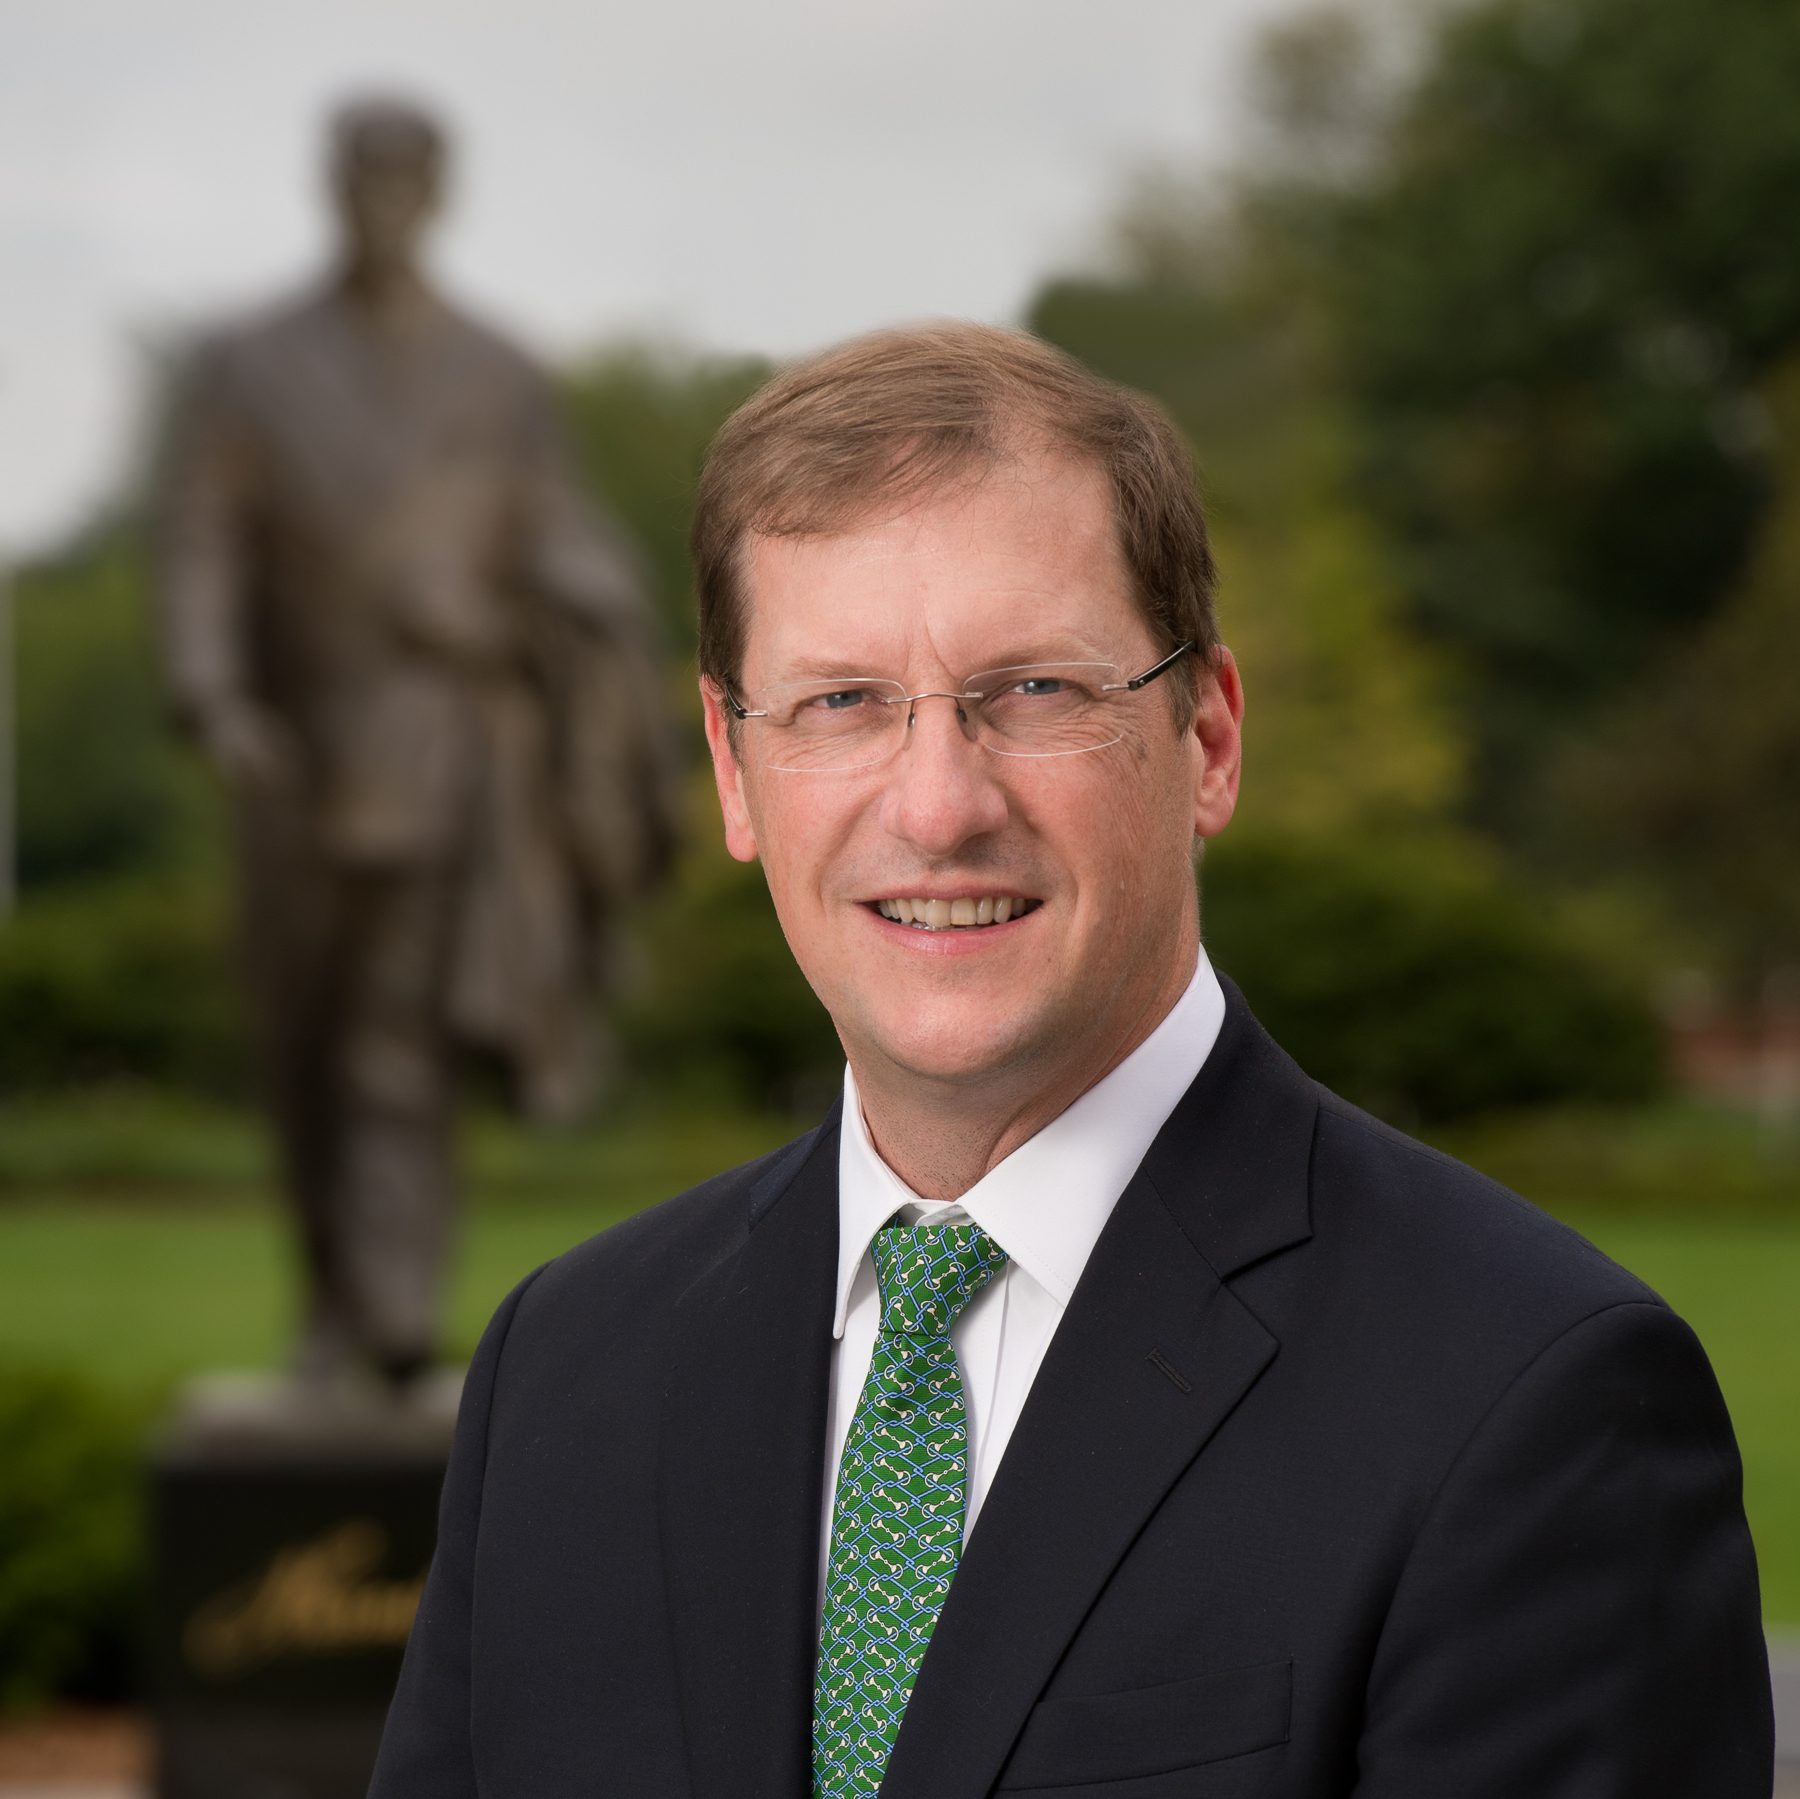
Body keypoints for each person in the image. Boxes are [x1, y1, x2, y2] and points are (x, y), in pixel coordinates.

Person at [370, 323, 1772, 1795]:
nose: (937, 802)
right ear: (734, 769)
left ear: (1209, 736)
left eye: (1033, 689)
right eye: (841, 701)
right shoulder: (568, 1368)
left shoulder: (1530, 1398)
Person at [156, 97, 677, 1384]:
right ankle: (333, 1291)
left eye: (404, 180)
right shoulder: (253, 363)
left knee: (398, 1044)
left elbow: (560, 531)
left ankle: (390, 1316)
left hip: (444, 748)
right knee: (298, 1041)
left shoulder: (497, 371)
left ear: (437, 194)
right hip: (289, 758)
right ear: (328, 188)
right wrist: (214, 695)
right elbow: (202, 547)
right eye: (360, 178)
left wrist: (545, 606)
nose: (381, 202)